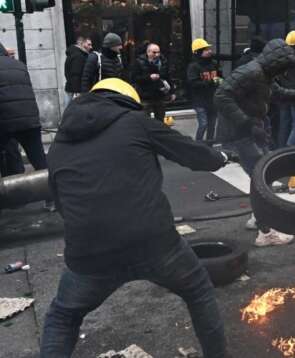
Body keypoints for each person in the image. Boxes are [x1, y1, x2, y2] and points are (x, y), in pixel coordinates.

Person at [41, 78, 233, 357]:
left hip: (90, 254)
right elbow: (193, 154)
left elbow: (61, 203)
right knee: (198, 290)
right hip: (153, 242)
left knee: (63, 317)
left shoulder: (59, 144)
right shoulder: (135, 121)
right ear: (126, 101)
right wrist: (221, 157)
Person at [215, 39, 295, 246]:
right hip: (242, 133)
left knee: (260, 175)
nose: (283, 72)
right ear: (275, 63)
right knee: (262, 177)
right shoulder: (251, 72)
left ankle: (257, 217)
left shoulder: (264, 74)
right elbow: (221, 95)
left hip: (251, 130)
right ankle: (266, 232)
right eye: (283, 67)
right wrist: (247, 122)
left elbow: (276, 93)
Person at [0, 43, 49, 177]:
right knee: (39, 160)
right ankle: (51, 193)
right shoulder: (20, 65)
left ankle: (11, 189)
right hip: (30, 120)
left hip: (5, 121)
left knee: (9, 154)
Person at [187, 38, 221, 142]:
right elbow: (192, 83)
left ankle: (209, 145)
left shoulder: (214, 63)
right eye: (206, 49)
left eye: (208, 49)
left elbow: (220, 76)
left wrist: (219, 81)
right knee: (203, 124)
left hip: (213, 100)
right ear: (198, 52)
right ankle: (198, 145)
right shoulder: (193, 67)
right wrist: (210, 82)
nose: (209, 51)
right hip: (200, 101)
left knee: (212, 125)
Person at [131, 43, 175, 123]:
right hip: (145, 95)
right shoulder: (139, 62)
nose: (157, 54)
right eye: (154, 52)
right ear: (148, 52)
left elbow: (168, 76)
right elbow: (134, 78)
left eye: (158, 52)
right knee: (145, 120)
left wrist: (172, 92)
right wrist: (149, 77)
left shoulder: (163, 61)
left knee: (160, 119)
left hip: (159, 94)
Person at [63, 36, 92, 105]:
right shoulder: (79, 56)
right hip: (76, 90)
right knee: (74, 111)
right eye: (88, 44)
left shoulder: (74, 53)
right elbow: (76, 74)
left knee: (69, 111)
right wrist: (78, 92)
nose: (91, 47)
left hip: (72, 88)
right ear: (81, 44)